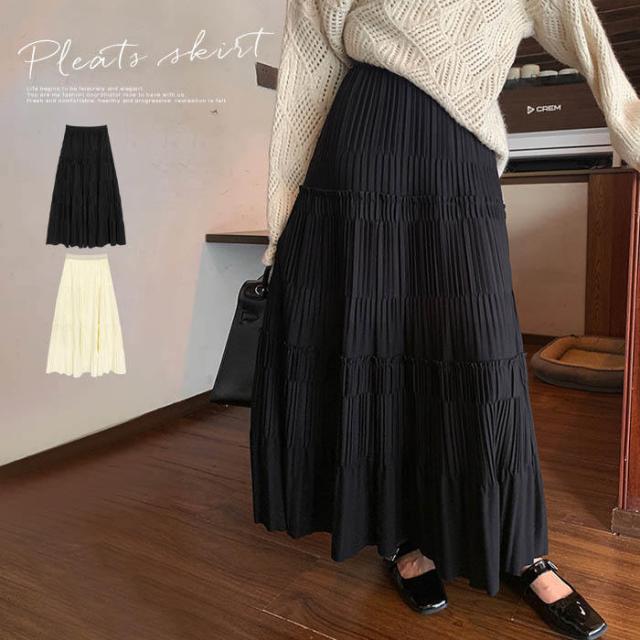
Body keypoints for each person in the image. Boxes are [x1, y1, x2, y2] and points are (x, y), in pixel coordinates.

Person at [250, 1, 640, 638]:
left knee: (481, 350)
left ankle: (520, 548)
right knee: (381, 348)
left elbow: (592, 48)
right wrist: (283, 217)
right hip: (358, 153)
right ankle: (403, 535)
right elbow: (307, 81)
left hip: (458, 157)